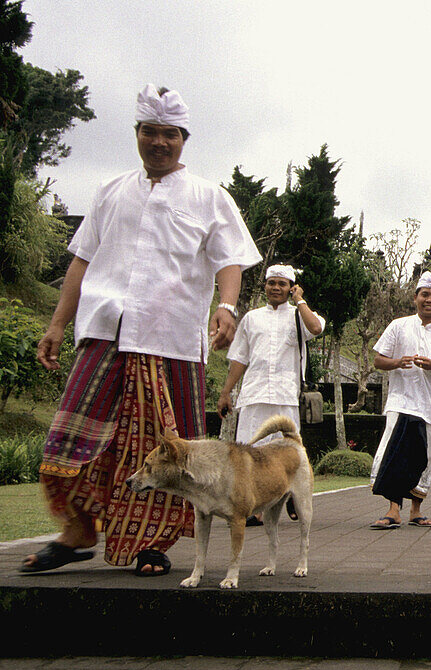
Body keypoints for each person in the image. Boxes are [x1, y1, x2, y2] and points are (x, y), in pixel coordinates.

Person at [22, 84, 261, 576]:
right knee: (72, 434)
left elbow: (230, 260)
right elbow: (81, 261)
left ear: (183, 139)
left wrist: (228, 306)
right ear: (137, 134)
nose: (159, 142)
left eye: (169, 134)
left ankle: (151, 543)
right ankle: (78, 529)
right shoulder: (111, 191)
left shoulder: (208, 197)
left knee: (165, 448)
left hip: (170, 338)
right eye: (149, 132)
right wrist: (56, 324)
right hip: (105, 332)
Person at [217, 264, 325, 524]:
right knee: (247, 453)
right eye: (271, 283)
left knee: (288, 453)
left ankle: (288, 497)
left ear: (291, 288)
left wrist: (300, 301)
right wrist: (225, 391)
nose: (276, 288)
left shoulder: (300, 314)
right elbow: (240, 358)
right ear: (265, 286)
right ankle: (251, 507)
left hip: (286, 396)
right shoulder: (252, 318)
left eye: (282, 284)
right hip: (254, 394)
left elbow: (317, 328)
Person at [368, 272, 431, 529]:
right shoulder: (398, 326)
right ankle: (392, 509)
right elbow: (378, 360)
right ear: (415, 298)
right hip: (402, 401)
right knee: (394, 453)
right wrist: (397, 362)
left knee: (425, 457)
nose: (429, 300)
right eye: (425, 295)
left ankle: (416, 510)